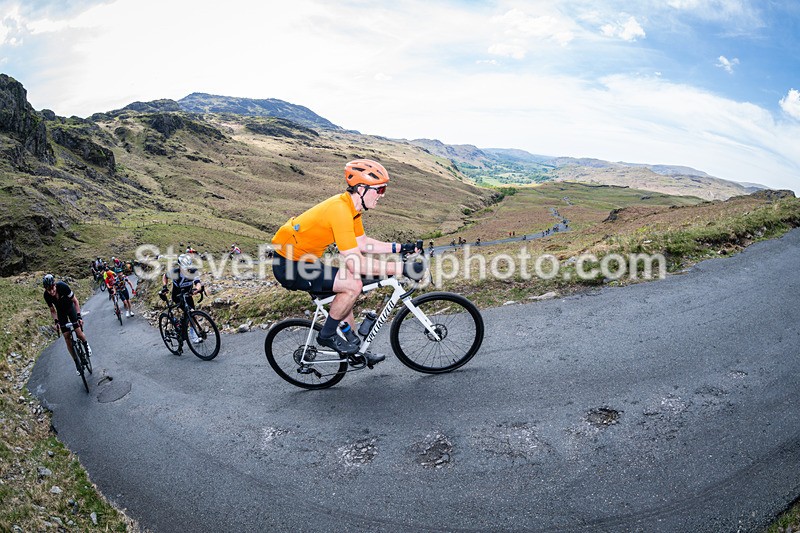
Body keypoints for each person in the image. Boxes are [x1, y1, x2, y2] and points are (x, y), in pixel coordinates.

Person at [270, 159, 424, 364]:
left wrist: (401, 248)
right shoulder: (340, 210)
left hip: (304, 261)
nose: (382, 195)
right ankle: (327, 335)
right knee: (353, 284)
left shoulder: (352, 209)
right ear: (361, 188)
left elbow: (363, 243)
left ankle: (354, 350)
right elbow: (356, 263)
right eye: (379, 190)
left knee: (346, 292)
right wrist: (402, 268)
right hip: (289, 266)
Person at [42, 274, 92, 376]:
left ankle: (86, 345)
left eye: (52, 288)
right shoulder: (46, 295)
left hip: (70, 308)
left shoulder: (63, 286)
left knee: (78, 332)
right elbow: (52, 310)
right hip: (61, 313)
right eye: (48, 290)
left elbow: (75, 301)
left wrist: (79, 317)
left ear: (55, 285)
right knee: (66, 337)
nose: (51, 292)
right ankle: (77, 363)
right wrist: (56, 322)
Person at [160, 254, 205, 344]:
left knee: (192, 314)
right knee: (189, 312)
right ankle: (183, 329)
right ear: (179, 266)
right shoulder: (175, 272)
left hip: (187, 295)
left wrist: (196, 289)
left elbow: (198, 283)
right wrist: (164, 286)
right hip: (177, 296)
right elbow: (164, 276)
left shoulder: (193, 271)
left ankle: (191, 333)